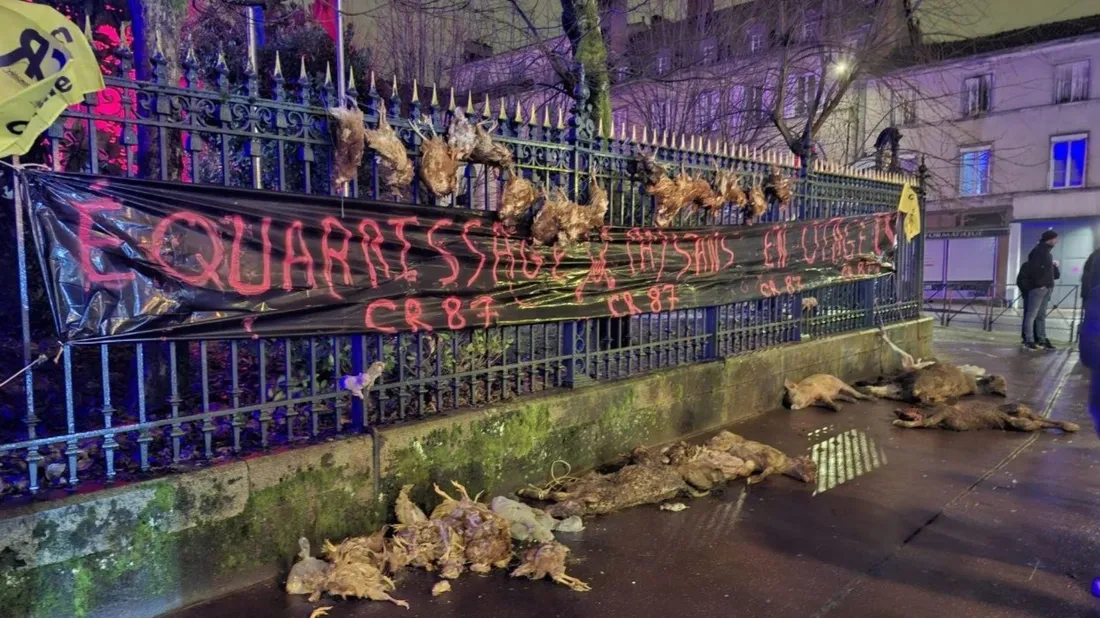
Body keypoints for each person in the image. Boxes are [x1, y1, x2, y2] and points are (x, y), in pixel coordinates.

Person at [1016, 230, 1060, 350]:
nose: (1057, 241)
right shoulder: (1039, 252)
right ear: (1049, 239)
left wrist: (1054, 266)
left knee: (1040, 316)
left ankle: (1041, 339)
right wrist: (1040, 284)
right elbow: (1034, 271)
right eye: (1055, 239)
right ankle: (1029, 340)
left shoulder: (1046, 253)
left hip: (1046, 287)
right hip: (1039, 288)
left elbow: (1055, 275)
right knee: (1031, 315)